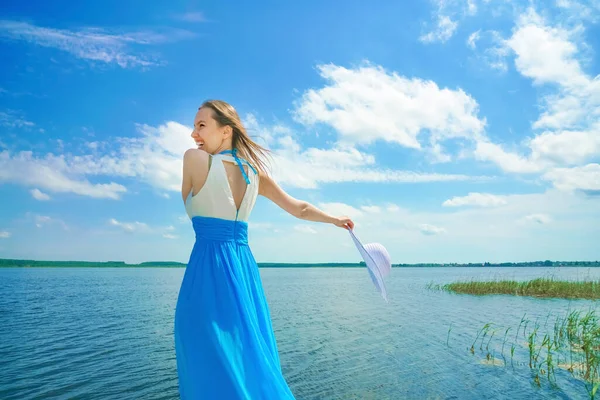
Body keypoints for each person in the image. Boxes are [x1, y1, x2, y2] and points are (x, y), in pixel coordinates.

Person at [174, 99, 354, 399]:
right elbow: (301, 208)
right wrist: (335, 220)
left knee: (203, 360)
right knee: (251, 357)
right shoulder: (254, 174)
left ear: (226, 130)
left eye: (201, 125)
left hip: (207, 272)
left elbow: (189, 201)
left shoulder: (194, 159)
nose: (194, 135)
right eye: (194, 127)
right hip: (243, 272)